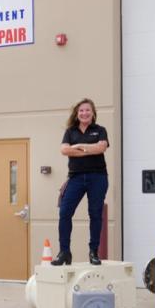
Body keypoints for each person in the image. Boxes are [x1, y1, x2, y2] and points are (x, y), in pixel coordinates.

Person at [53, 98, 109, 266]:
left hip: (97, 177)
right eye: (81, 111)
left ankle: (93, 252)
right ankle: (64, 252)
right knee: (64, 212)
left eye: (87, 110)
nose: (84, 113)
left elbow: (101, 147)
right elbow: (64, 150)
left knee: (95, 214)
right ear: (77, 114)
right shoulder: (70, 131)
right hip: (76, 178)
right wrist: (89, 149)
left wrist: (77, 147)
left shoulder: (100, 130)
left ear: (93, 113)